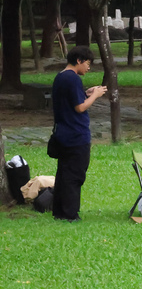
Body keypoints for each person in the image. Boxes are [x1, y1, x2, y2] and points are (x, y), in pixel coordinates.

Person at [51, 46, 107, 222]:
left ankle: (59, 211)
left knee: (63, 174)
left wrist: (86, 93)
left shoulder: (60, 77)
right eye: (88, 64)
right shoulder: (73, 79)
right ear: (79, 61)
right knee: (75, 175)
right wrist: (95, 95)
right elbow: (80, 107)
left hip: (62, 134)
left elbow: (72, 99)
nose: (88, 68)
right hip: (76, 135)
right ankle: (70, 214)